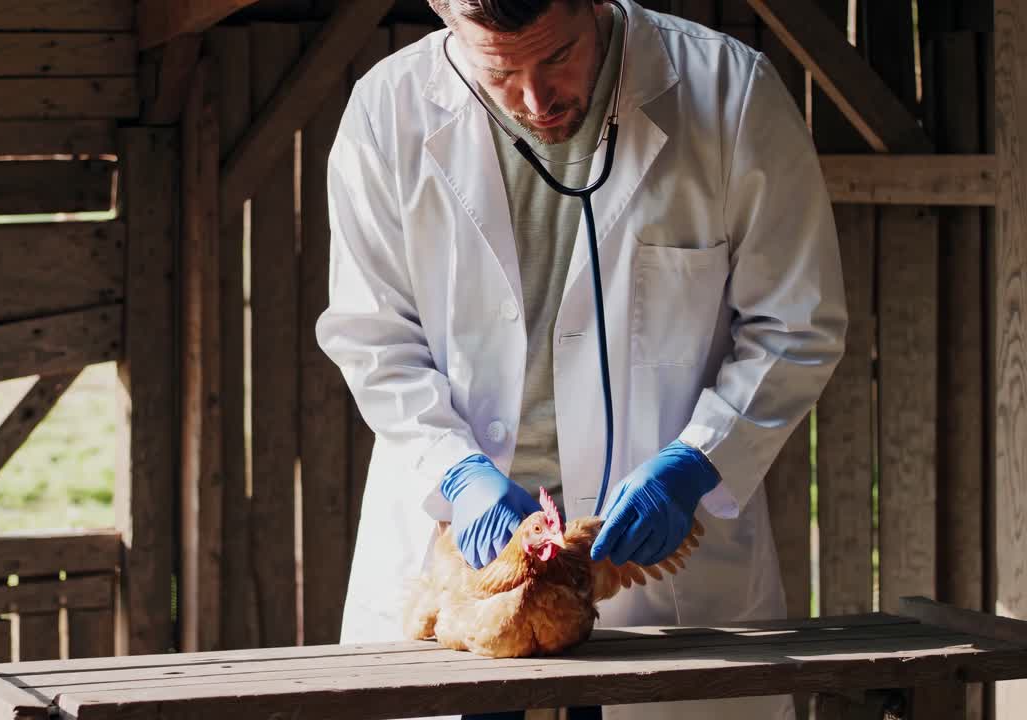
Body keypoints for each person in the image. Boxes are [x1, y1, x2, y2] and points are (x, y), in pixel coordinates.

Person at [315, 1, 846, 718]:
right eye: (501, 70)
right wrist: (456, 472)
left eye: (559, 55)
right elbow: (372, 336)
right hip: (463, 567)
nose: (536, 100)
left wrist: (699, 460)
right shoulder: (387, 114)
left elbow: (796, 322)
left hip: (654, 577)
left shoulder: (729, 94)